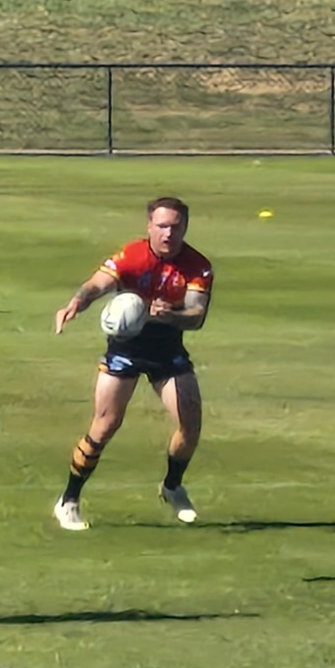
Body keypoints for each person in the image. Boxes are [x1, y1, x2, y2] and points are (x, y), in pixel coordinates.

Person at [50, 197, 212, 530]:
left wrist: (172, 315)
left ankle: (172, 486)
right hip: (125, 349)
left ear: (185, 227)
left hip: (167, 351)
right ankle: (69, 500)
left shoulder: (198, 266)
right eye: (162, 226)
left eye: (176, 226)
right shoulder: (131, 255)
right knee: (105, 425)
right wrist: (76, 303)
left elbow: (197, 316)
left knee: (191, 424)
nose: (169, 233)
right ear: (149, 226)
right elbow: (98, 283)